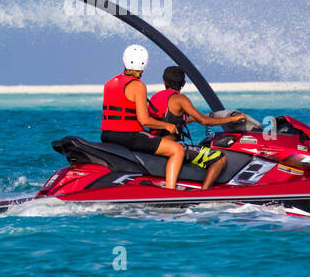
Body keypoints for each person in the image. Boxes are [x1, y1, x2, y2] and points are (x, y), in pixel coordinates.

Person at [146, 66, 248, 190]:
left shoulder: (156, 97)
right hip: (172, 147)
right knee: (219, 158)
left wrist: (191, 119)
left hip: (157, 144)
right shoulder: (180, 99)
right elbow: (205, 121)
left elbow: (165, 119)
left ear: (164, 82)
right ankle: (203, 194)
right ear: (183, 83)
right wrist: (233, 119)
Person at [100, 44, 186, 189]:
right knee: (177, 150)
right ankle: (170, 192)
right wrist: (167, 125)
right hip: (128, 136)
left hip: (107, 135)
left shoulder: (110, 83)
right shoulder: (138, 86)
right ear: (144, 64)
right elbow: (144, 120)